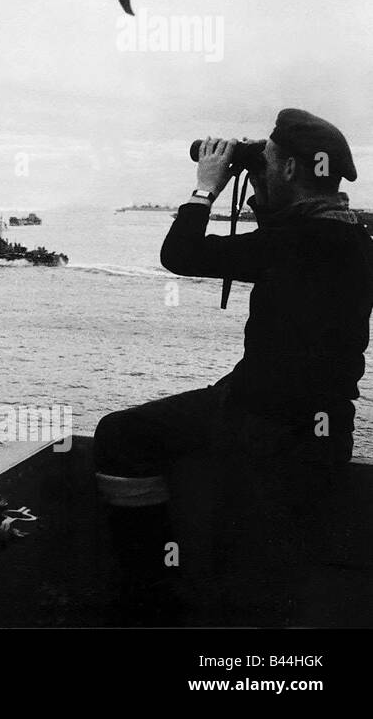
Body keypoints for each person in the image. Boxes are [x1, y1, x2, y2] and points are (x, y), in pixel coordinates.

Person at [94, 110, 373, 624]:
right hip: (315, 429)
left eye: (266, 160)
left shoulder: (303, 241)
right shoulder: (347, 236)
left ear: (290, 170)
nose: (259, 168)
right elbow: (290, 242)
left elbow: (180, 254)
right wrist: (263, 186)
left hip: (263, 424)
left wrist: (205, 189)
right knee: (261, 586)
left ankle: (150, 599)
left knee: (120, 436)